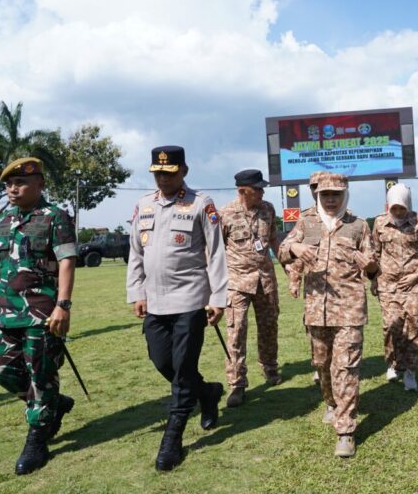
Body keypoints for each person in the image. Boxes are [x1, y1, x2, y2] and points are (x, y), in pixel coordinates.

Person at [126, 145, 228, 471]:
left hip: (190, 299)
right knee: (162, 361)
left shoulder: (201, 204)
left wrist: (217, 298)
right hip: (155, 301)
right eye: (157, 172)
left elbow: (216, 253)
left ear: (184, 171)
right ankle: (208, 392)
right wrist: (136, 292)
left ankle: (172, 438)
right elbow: (135, 254)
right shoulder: (143, 205)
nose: (163, 178)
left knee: (182, 371)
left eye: (169, 173)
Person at [0, 157, 77, 475]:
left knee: (41, 374)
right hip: (5, 311)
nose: (12, 189)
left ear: (40, 184)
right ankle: (53, 404)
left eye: (20, 183)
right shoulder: (4, 220)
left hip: (40, 313)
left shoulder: (55, 217)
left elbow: (67, 261)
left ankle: (37, 439)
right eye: (8, 184)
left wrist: (63, 305)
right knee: (1, 371)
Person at [278, 172, 377, 458]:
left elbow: (373, 268)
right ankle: (331, 403)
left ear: (345, 194)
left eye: (336, 194)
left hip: (349, 309)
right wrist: (294, 247)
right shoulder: (306, 222)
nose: (331, 199)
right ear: (317, 196)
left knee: (345, 368)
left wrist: (369, 265)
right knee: (322, 363)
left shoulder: (358, 225)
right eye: (325, 195)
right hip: (316, 310)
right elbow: (283, 250)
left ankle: (345, 431)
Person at [220, 169, 282, 407]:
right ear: (242, 191)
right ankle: (236, 383)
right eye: (257, 188)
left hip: (265, 279)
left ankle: (270, 368)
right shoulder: (225, 214)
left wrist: (287, 265)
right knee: (236, 332)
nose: (262, 192)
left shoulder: (268, 209)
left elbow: (274, 239)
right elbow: (214, 250)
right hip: (236, 282)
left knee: (269, 326)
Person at [370, 183, 418, 391]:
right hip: (387, 284)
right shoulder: (380, 223)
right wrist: (372, 280)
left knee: (413, 326)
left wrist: (417, 275)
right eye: (394, 208)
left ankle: (410, 372)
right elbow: (375, 253)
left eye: (401, 208)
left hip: (413, 285)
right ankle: (393, 363)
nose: (397, 212)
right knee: (391, 326)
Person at [286, 171, 326, 385]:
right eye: (313, 186)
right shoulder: (305, 218)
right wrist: (294, 280)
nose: (317, 190)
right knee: (314, 329)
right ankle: (319, 367)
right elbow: (295, 251)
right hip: (315, 289)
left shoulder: (347, 216)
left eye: (320, 185)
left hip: (341, 290)